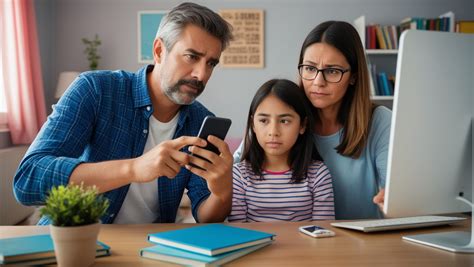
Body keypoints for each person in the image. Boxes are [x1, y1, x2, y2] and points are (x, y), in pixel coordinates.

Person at [14, 2, 234, 224]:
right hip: (77, 242)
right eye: (191, 56)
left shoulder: (200, 121)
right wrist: (134, 168)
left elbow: (205, 216)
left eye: (211, 64)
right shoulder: (95, 90)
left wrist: (221, 193)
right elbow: (28, 180)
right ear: (159, 51)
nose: (201, 74)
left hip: (150, 250)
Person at [234, 21, 391, 220]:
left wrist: (393, 199)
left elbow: (396, 192)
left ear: (353, 77)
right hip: (303, 241)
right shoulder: (280, 116)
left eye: (332, 71)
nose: (318, 82)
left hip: (361, 241)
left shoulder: (380, 121)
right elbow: (235, 170)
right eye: (309, 68)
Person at [228, 79, 334, 222]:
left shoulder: (318, 174)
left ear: (303, 125)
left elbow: (322, 232)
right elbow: (238, 233)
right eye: (264, 121)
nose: (273, 132)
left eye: (284, 121)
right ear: (253, 124)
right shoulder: (239, 175)